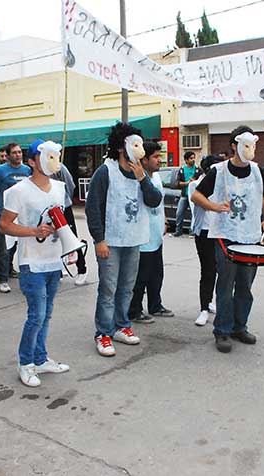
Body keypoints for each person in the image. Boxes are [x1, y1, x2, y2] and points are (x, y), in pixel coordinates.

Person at [191, 126, 264, 353]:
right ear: (235, 146)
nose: (250, 150)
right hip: (225, 236)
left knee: (245, 285)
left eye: (253, 145)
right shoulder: (218, 171)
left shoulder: (259, 171)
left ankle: (239, 326)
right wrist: (214, 207)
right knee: (225, 285)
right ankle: (222, 331)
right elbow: (195, 195)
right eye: (245, 145)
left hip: (251, 237)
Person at [86, 122, 162, 357]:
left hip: (135, 240)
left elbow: (154, 200)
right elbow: (93, 207)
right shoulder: (105, 171)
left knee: (127, 288)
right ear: (122, 147)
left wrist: (142, 178)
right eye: (134, 144)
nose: (139, 149)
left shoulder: (141, 171)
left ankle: (122, 325)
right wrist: (99, 239)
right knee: (108, 288)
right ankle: (103, 333)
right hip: (111, 241)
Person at [0, 140, 70, 386]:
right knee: (36, 315)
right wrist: (33, 231)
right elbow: (4, 225)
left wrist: (71, 248)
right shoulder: (18, 191)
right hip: (31, 262)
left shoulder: (60, 188)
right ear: (32, 161)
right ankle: (25, 363)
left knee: (47, 314)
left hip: (53, 260)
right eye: (47, 156)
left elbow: (63, 220)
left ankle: (40, 358)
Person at [128, 141, 173, 324]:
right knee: (141, 277)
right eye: (155, 157)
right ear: (144, 160)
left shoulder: (156, 177)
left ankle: (155, 305)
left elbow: (159, 203)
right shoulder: (137, 179)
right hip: (143, 239)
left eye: (159, 156)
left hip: (156, 236)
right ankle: (134, 310)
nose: (159, 160)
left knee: (157, 274)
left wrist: (164, 220)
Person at [41, 140, 88, 285]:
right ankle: (57, 268)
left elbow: (71, 185)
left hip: (64, 207)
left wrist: (63, 201)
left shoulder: (60, 168)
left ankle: (82, 269)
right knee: (52, 238)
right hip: (47, 209)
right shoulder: (39, 170)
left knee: (72, 236)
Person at [0, 143, 32, 293]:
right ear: (7, 156)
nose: (18, 155)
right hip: (3, 213)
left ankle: (9, 268)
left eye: (20, 152)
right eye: (14, 153)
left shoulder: (27, 170)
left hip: (21, 214)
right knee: (2, 247)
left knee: (16, 246)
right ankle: (2, 279)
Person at [189, 154, 223, 326]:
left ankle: (213, 302)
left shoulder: (222, 185)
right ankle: (203, 309)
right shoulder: (195, 186)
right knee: (208, 270)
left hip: (220, 233)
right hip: (204, 232)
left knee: (222, 271)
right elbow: (198, 202)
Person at [174, 151, 203, 237]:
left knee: (193, 213)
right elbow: (177, 183)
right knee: (179, 212)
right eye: (191, 158)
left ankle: (192, 231)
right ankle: (178, 230)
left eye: (194, 158)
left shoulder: (198, 169)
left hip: (194, 195)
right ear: (186, 160)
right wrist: (187, 183)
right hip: (184, 195)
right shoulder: (182, 170)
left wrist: (195, 182)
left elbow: (202, 181)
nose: (193, 160)